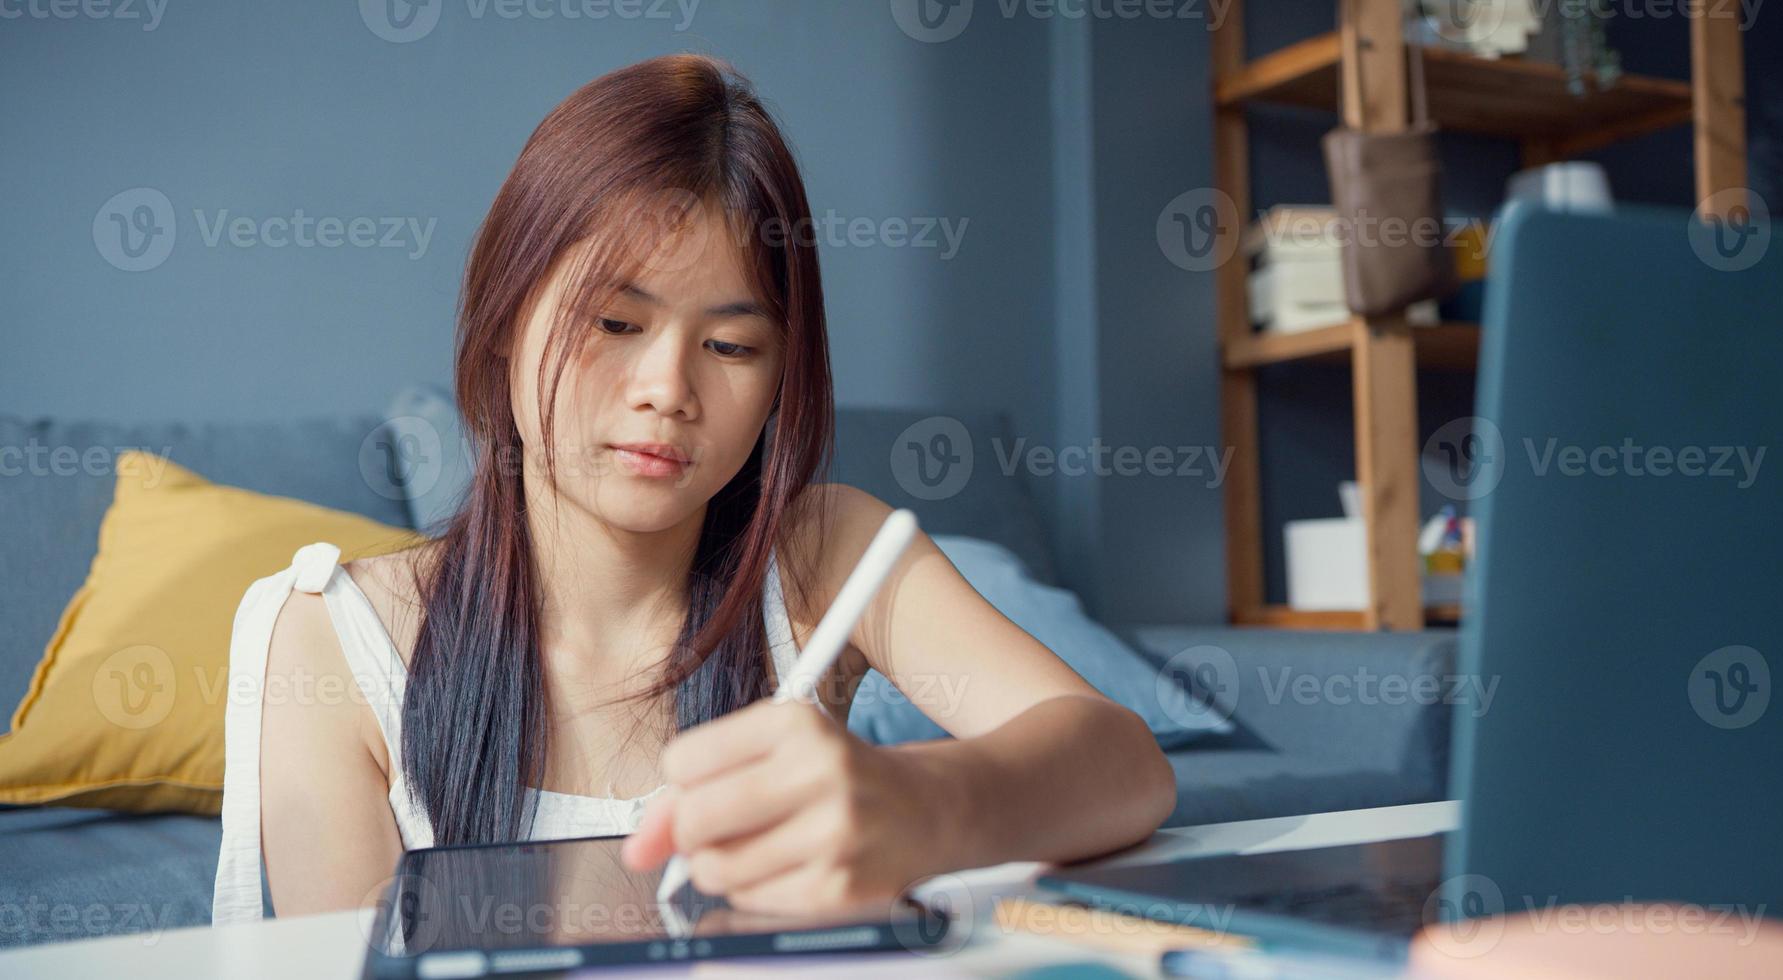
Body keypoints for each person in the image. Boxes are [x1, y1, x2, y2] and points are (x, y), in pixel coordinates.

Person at [211, 54, 1174, 925]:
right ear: (506, 318)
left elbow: (1122, 765)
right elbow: (343, 954)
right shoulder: (329, 634)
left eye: (731, 346)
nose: (668, 390)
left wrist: (923, 805)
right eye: (614, 323)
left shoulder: (825, 553)